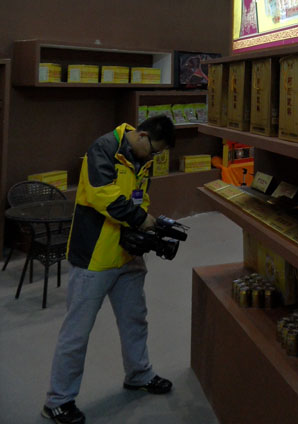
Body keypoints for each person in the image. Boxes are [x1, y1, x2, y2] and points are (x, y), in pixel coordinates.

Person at [42, 115, 177, 424]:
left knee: (135, 320)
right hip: (95, 257)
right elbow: (103, 195)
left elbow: (140, 196)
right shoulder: (102, 149)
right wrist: (141, 220)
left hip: (127, 255)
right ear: (142, 136)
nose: (154, 158)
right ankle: (58, 401)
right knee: (77, 332)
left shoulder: (143, 158)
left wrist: (145, 230)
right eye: (154, 151)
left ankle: (139, 375)